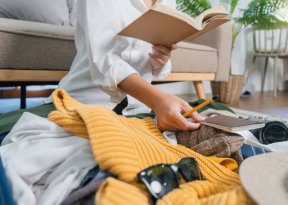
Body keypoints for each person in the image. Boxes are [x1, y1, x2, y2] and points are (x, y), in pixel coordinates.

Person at [42, 0, 204, 131]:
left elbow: (148, 62)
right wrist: (159, 100)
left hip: (139, 108)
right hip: (88, 100)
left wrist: (160, 59)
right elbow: (104, 58)